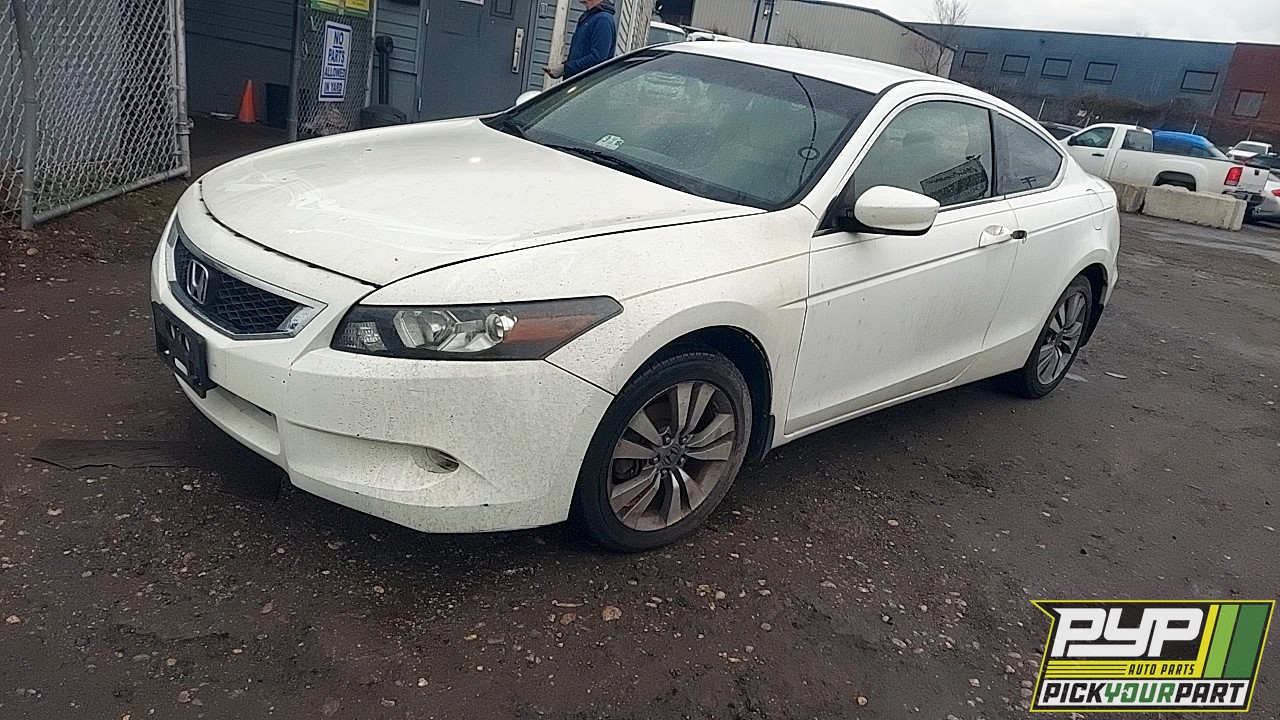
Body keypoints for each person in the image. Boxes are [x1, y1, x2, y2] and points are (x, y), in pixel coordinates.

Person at [544, 0, 616, 80]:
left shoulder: (603, 19)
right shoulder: (590, 17)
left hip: (587, 85)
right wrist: (564, 67)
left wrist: (565, 68)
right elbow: (581, 53)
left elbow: (598, 58)